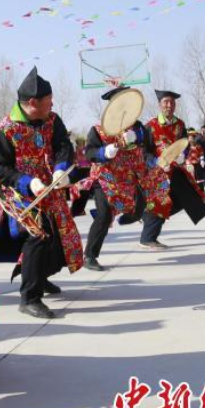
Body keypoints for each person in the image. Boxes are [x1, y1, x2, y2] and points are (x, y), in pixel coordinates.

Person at [0, 66, 82, 318]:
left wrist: (60, 169)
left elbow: (62, 145)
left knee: (60, 238)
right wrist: (28, 181)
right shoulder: (4, 130)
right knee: (38, 234)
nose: (52, 104)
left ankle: (40, 277)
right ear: (32, 103)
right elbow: (1, 170)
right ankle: (29, 298)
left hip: (50, 186)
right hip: (18, 192)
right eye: (48, 101)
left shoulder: (52, 120)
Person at [79, 86, 171, 271]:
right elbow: (88, 153)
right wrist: (104, 151)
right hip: (105, 179)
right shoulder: (98, 129)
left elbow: (150, 148)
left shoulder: (139, 127)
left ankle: (126, 216)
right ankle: (89, 255)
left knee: (140, 208)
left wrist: (138, 139)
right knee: (104, 216)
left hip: (131, 178)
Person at [142, 90, 205, 249]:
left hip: (175, 169)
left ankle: (148, 216)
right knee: (161, 202)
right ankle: (148, 237)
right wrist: (155, 163)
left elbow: (184, 145)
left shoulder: (180, 125)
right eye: (166, 102)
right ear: (160, 105)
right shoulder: (150, 126)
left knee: (188, 198)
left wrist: (182, 156)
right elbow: (143, 151)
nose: (169, 105)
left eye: (172, 102)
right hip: (157, 172)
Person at [185, 128, 205, 193]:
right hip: (189, 164)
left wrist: (202, 159)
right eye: (189, 138)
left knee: (199, 177)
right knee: (190, 177)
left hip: (197, 163)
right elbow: (183, 155)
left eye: (192, 138)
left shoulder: (198, 146)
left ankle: (201, 190)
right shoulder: (185, 146)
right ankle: (191, 191)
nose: (191, 139)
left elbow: (201, 153)